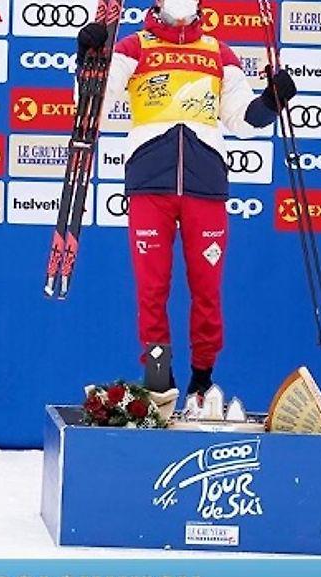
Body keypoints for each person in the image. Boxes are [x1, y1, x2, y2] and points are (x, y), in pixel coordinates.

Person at [76, 0, 295, 396]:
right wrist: (87, 60)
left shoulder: (218, 52)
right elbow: (94, 108)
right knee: (152, 288)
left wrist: (271, 102)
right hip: (149, 183)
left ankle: (202, 380)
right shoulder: (133, 46)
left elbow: (243, 120)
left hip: (205, 183)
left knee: (207, 289)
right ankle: (159, 379)